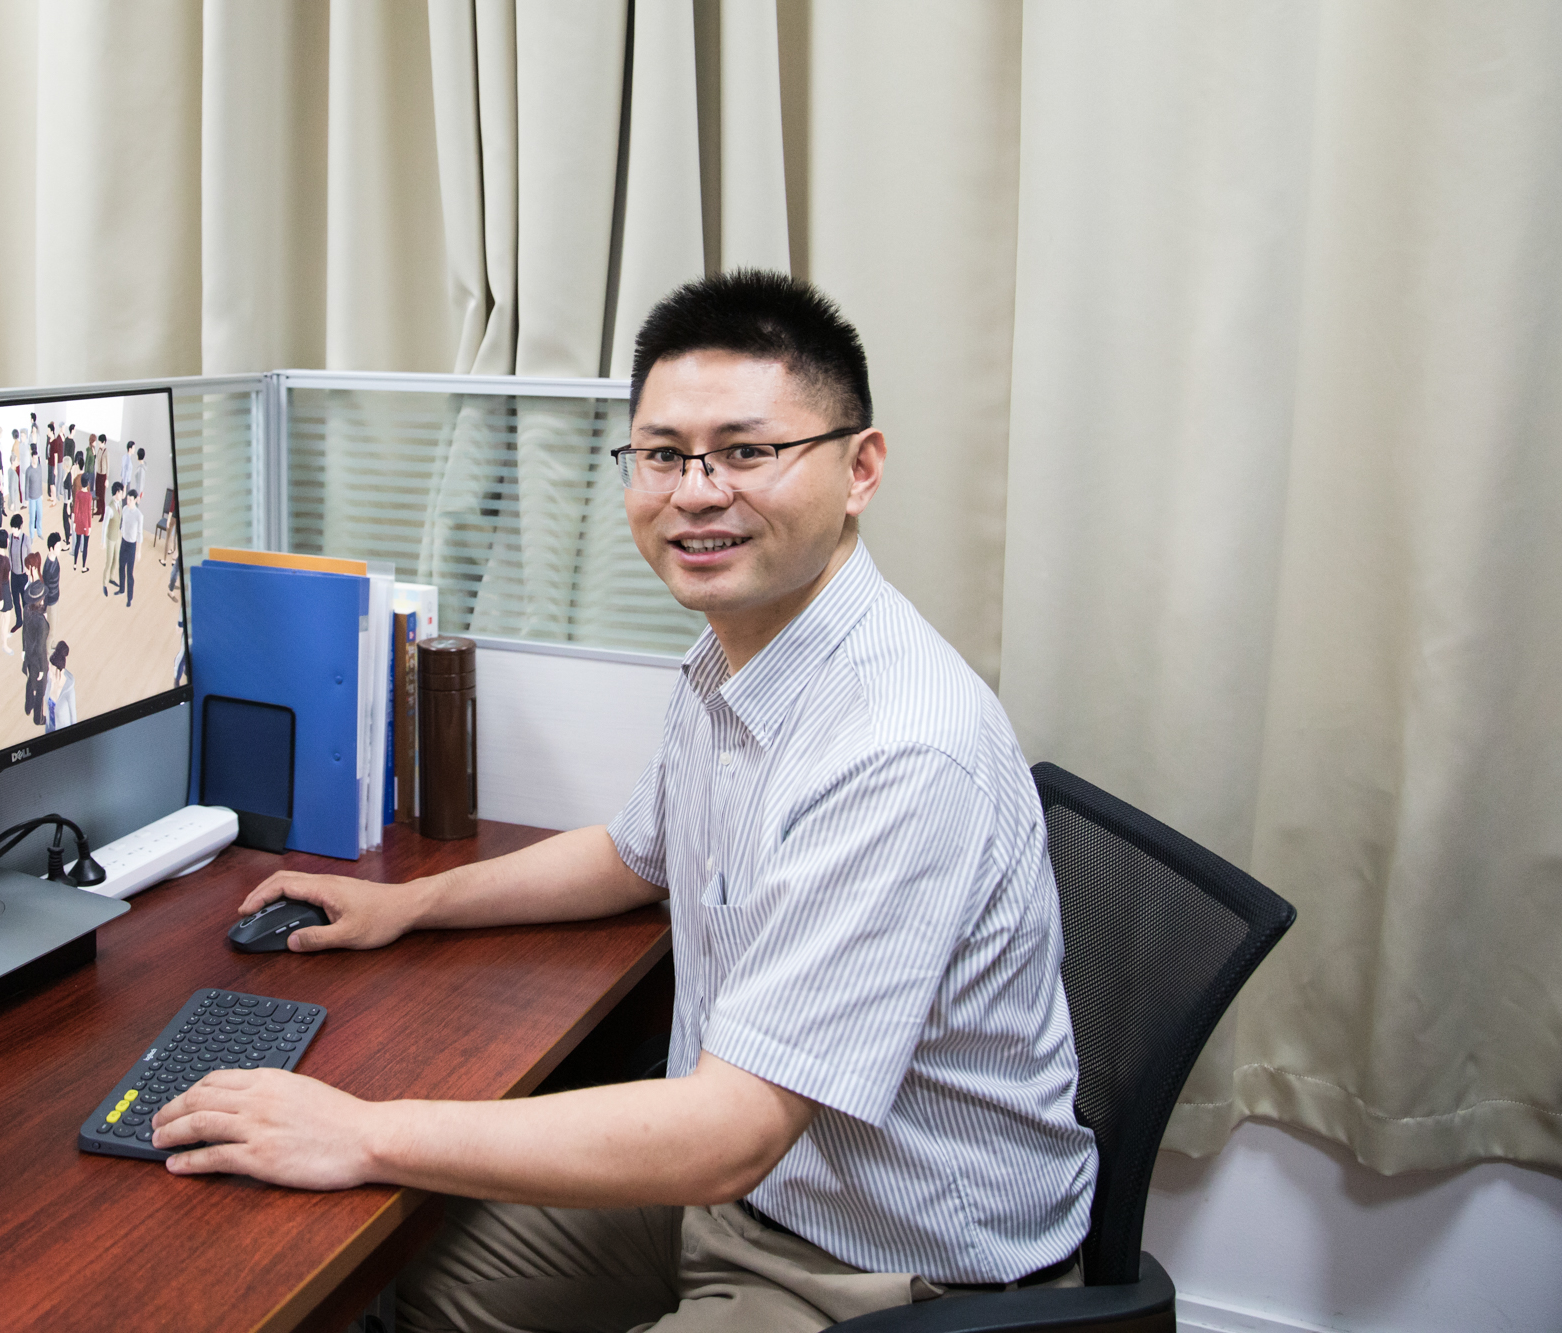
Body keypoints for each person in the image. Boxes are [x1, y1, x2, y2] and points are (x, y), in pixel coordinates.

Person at [149, 272, 1096, 1327]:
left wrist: (360, 1129)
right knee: (398, 1297)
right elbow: (634, 853)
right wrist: (408, 905)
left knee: (371, 1207)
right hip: (730, 1194)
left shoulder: (898, 747)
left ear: (858, 468)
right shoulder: (738, 651)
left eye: (747, 452)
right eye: (662, 454)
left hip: (881, 1264)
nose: (696, 492)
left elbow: (733, 1128)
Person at [20, 564, 49, 723]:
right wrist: (43, 669)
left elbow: (24, 631)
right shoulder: (41, 622)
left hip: (29, 656)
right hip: (38, 659)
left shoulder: (26, 610)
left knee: (30, 681)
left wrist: (24, 650)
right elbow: (40, 647)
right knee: (41, 689)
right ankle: (38, 717)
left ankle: (27, 706)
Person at [116, 487, 142, 607]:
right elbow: (122, 523)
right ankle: (121, 589)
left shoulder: (139, 515)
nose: (128, 501)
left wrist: (138, 551)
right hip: (124, 542)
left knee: (129, 572)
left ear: (135, 500)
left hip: (132, 545)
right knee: (121, 566)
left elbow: (140, 534)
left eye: (130, 500)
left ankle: (129, 598)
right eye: (127, 499)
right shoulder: (125, 509)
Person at [45, 641, 76, 732]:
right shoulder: (49, 679)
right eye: (49, 670)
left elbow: (73, 716)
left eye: (53, 672)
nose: (50, 674)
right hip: (49, 728)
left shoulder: (69, 689)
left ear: (60, 672)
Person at [0, 529, 16, 652]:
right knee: (6, 617)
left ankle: (4, 634)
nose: (8, 540)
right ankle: (4, 644)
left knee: (4, 616)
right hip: (4, 589)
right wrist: (1, 598)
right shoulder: (3, 561)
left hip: (3, 588)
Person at [6, 514, 29, 632]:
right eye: (12, 528)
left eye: (15, 528)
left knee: (25, 601)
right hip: (13, 575)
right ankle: (19, 621)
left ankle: (28, 621)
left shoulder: (26, 539)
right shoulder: (10, 538)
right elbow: (9, 555)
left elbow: (29, 556)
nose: (13, 530)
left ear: (20, 527)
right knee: (15, 599)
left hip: (23, 575)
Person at [102, 480, 124, 592]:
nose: (122, 494)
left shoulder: (120, 503)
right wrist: (103, 541)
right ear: (117, 492)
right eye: (121, 492)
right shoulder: (109, 508)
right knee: (109, 561)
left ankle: (111, 577)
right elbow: (104, 526)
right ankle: (105, 583)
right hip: (110, 538)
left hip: (118, 536)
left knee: (116, 559)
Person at [72, 457, 94, 570]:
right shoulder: (89, 496)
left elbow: (76, 509)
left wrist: (75, 522)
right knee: (85, 545)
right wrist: (89, 526)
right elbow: (89, 512)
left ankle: (75, 564)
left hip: (79, 521)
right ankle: (83, 566)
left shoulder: (78, 494)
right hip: (85, 522)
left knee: (77, 543)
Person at [42, 531, 63, 632]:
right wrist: (44, 610)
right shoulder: (48, 569)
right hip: (50, 603)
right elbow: (45, 589)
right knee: (51, 631)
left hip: (55, 597)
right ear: (51, 549)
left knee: (54, 625)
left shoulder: (54, 559)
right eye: (57, 547)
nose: (60, 549)